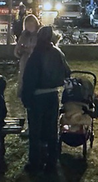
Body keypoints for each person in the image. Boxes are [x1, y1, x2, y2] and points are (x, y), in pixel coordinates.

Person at [20, 26, 71, 173]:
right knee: (51, 130)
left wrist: (26, 98)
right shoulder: (57, 53)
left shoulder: (36, 55)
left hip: (37, 96)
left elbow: (29, 79)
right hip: (52, 95)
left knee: (35, 132)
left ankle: (35, 162)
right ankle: (51, 161)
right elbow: (67, 72)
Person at [14, 13, 40, 98]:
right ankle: (23, 94)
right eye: (27, 24)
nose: (29, 25)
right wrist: (20, 51)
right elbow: (16, 51)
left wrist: (31, 50)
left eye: (31, 23)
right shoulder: (24, 35)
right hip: (25, 61)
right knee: (23, 78)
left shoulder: (40, 35)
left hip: (37, 62)